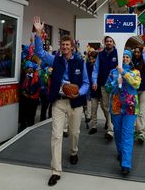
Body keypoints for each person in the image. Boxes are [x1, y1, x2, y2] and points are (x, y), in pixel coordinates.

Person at [33, 16, 89, 186]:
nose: (65, 47)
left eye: (67, 45)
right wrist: (38, 33)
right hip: (58, 101)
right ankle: (56, 171)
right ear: (60, 47)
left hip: (75, 102)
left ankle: (73, 152)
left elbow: (86, 82)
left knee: (74, 133)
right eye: (62, 45)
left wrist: (79, 92)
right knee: (56, 135)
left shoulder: (80, 62)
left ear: (72, 47)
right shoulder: (55, 59)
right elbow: (40, 53)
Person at [105, 49, 141, 175]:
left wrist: (124, 73)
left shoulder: (135, 72)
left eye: (127, 57)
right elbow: (108, 88)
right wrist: (116, 81)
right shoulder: (113, 72)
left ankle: (126, 164)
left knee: (127, 134)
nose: (125, 59)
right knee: (118, 132)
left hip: (130, 107)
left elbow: (136, 84)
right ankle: (121, 153)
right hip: (116, 107)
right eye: (123, 57)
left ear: (130, 59)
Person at [92, 36, 117, 140]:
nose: (109, 43)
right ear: (104, 42)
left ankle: (115, 127)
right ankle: (110, 130)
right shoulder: (100, 55)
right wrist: (94, 81)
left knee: (115, 107)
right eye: (107, 41)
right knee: (106, 107)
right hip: (103, 84)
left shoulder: (118, 53)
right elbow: (96, 69)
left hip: (115, 85)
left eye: (110, 41)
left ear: (113, 42)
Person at [86, 50, 103, 135]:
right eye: (90, 59)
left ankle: (108, 122)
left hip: (102, 89)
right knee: (93, 109)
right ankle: (94, 126)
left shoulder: (101, 66)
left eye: (94, 59)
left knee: (105, 108)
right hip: (93, 90)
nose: (92, 61)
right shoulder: (88, 66)